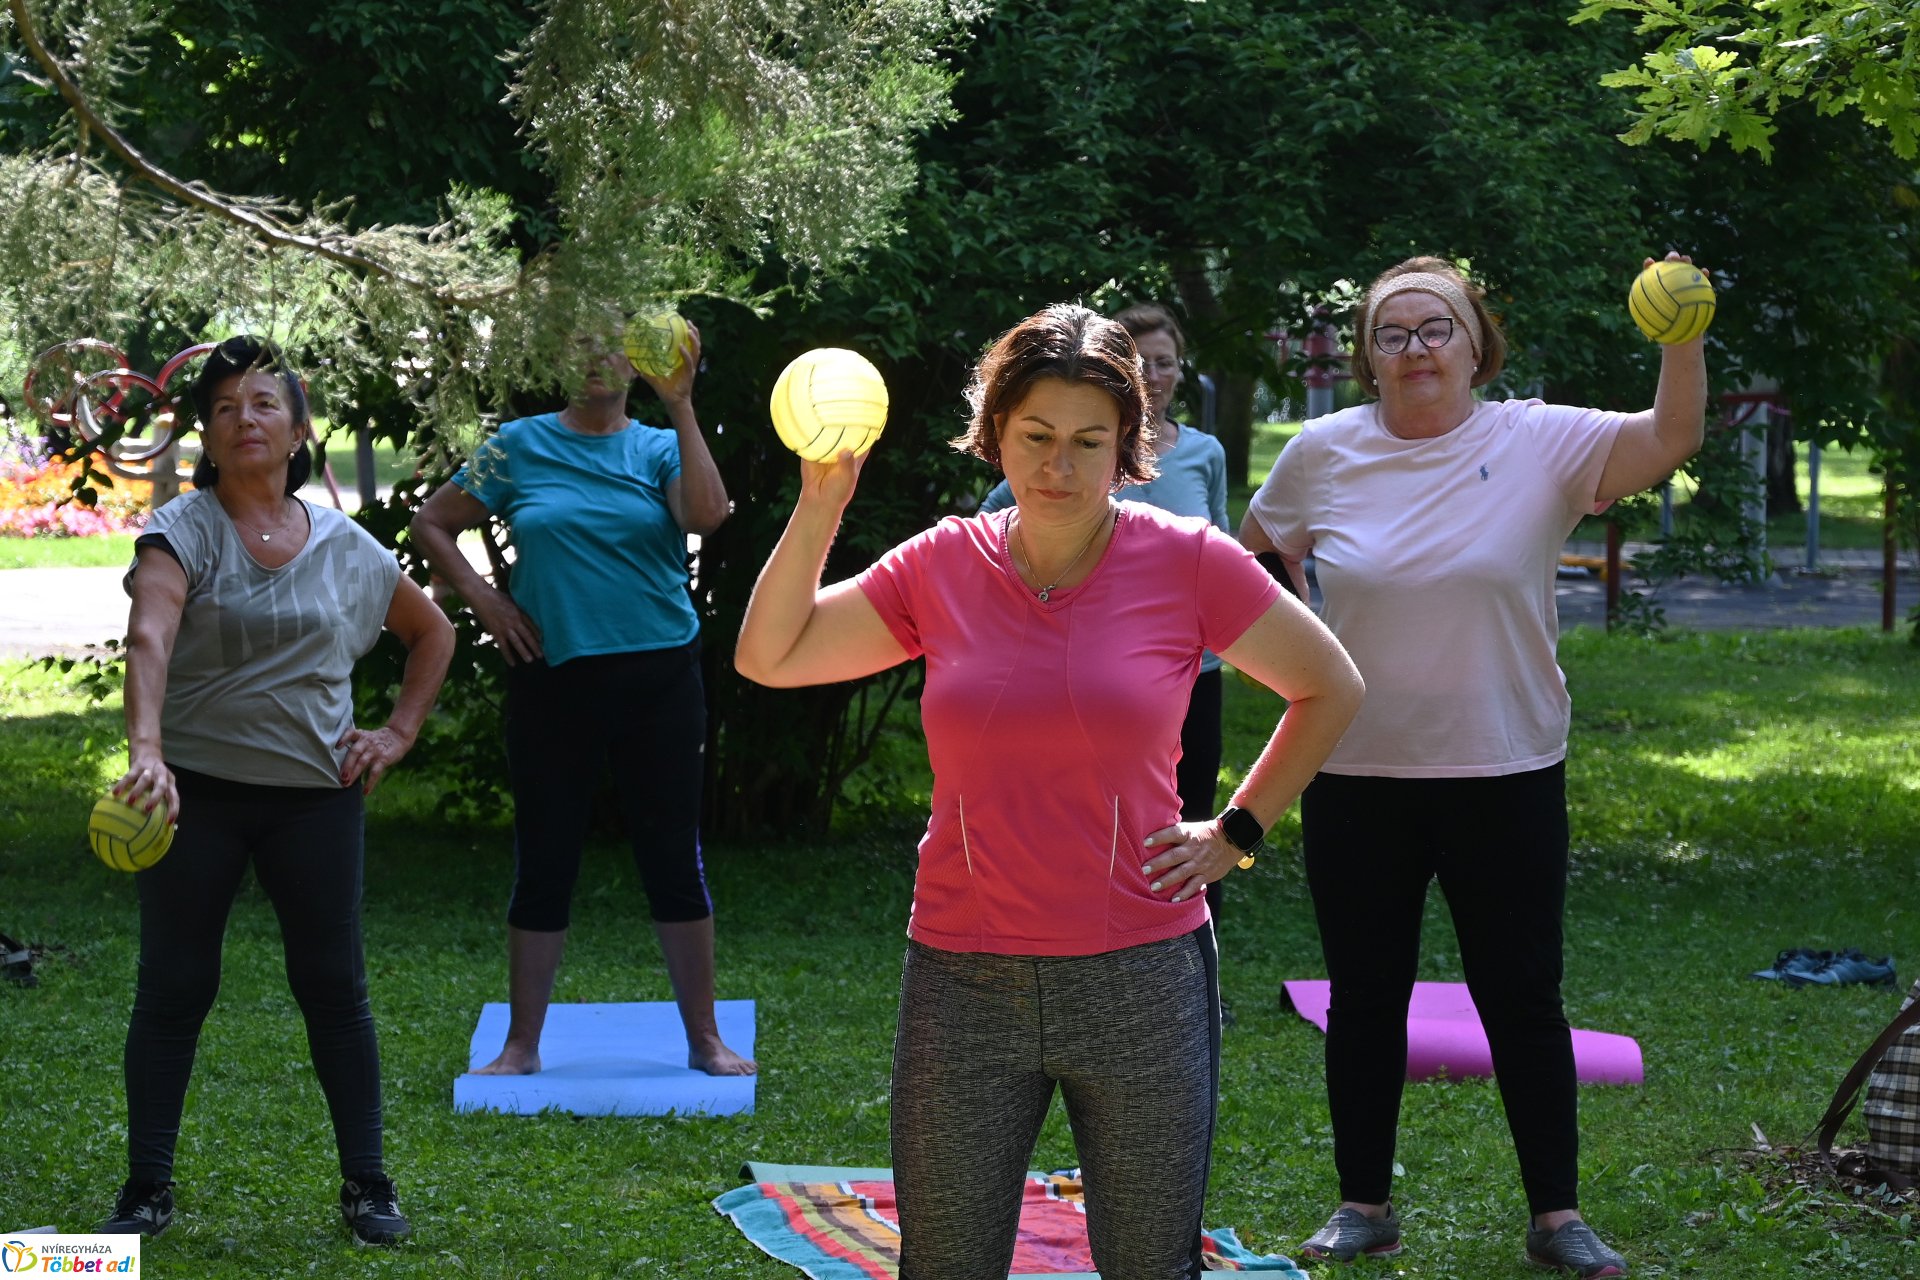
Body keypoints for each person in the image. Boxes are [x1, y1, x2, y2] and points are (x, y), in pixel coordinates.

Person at [735, 304, 1363, 1279]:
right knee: (945, 1260)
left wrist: (1239, 828)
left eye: (1088, 441)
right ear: (995, 433)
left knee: (1150, 1262)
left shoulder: (1188, 560)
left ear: (1127, 447)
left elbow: (1331, 685)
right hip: (961, 970)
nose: (1059, 467)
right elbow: (770, 654)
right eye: (1035, 436)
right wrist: (822, 504)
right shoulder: (945, 563)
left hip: (1142, 972)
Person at [1241, 255, 1708, 1278]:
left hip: (1507, 767)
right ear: (1367, 357)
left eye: (1435, 328)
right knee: (1366, 997)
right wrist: (1297, 661)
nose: (1415, 349)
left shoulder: (1541, 438)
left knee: (1523, 996)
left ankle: (1557, 1216)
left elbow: (1672, 438)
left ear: (1474, 344)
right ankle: (1363, 1202)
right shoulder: (1322, 452)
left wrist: (1681, 338)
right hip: (1356, 771)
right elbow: (1251, 562)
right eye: (1392, 334)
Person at [104, 336, 455, 1244]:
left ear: (298, 431)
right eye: (224, 409)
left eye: (263, 403)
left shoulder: (348, 548)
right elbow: (151, 635)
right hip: (195, 797)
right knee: (175, 986)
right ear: (208, 443)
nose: (243, 418)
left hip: (315, 798)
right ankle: (145, 1188)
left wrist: (397, 731)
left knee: (334, 987)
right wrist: (147, 750)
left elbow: (434, 633)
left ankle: (368, 1186)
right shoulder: (182, 530)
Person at [410, 315, 754, 1078]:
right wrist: (485, 601)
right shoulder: (519, 445)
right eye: (576, 343)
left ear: (637, 365)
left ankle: (705, 1040)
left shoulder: (660, 445)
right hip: (552, 677)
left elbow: (707, 515)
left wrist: (684, 404)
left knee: (672, 856)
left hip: (660, 676)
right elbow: (431, 522)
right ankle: (521, 1047)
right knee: (545, 858)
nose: (594, 357)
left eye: (610, 346)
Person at [978, 304, 1235, 925]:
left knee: (1191, 817)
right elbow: (991, 532)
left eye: (1166, 361)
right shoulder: (1060, 459)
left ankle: (1193, 960)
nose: (1156, 372)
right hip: (1078, 667)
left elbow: (1227, 558)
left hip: (1189, 674)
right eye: (1142, 361)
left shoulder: (1204, 454)